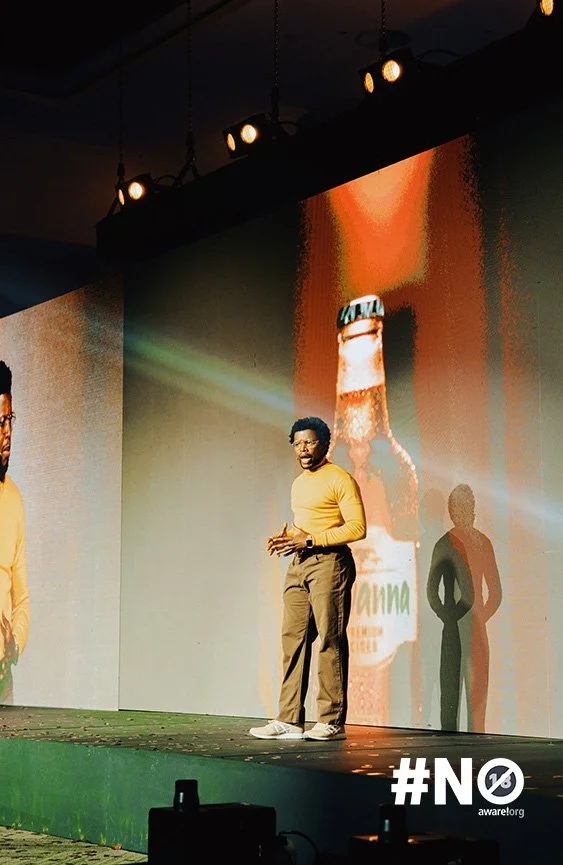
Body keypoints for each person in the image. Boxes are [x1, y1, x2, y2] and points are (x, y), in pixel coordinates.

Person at [250, 416, 366, 741]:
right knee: (293, 641)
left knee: (329, 639)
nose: (303, 449)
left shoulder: (340, 478)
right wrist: (289, 538)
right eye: (298, 443)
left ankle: (330, 721)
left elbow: (357, 527)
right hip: (299, 563)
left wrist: (311, 540)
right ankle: (288, 720)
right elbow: (308, 523)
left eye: (310, 442)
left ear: (325, 444)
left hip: (330, 563)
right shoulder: (298, 483)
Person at [0, 360, 30, 704]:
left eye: (9, 420)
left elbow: (22, 598)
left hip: (2, 685)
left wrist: (15, 643)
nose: (6, 433)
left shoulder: (14, 499)